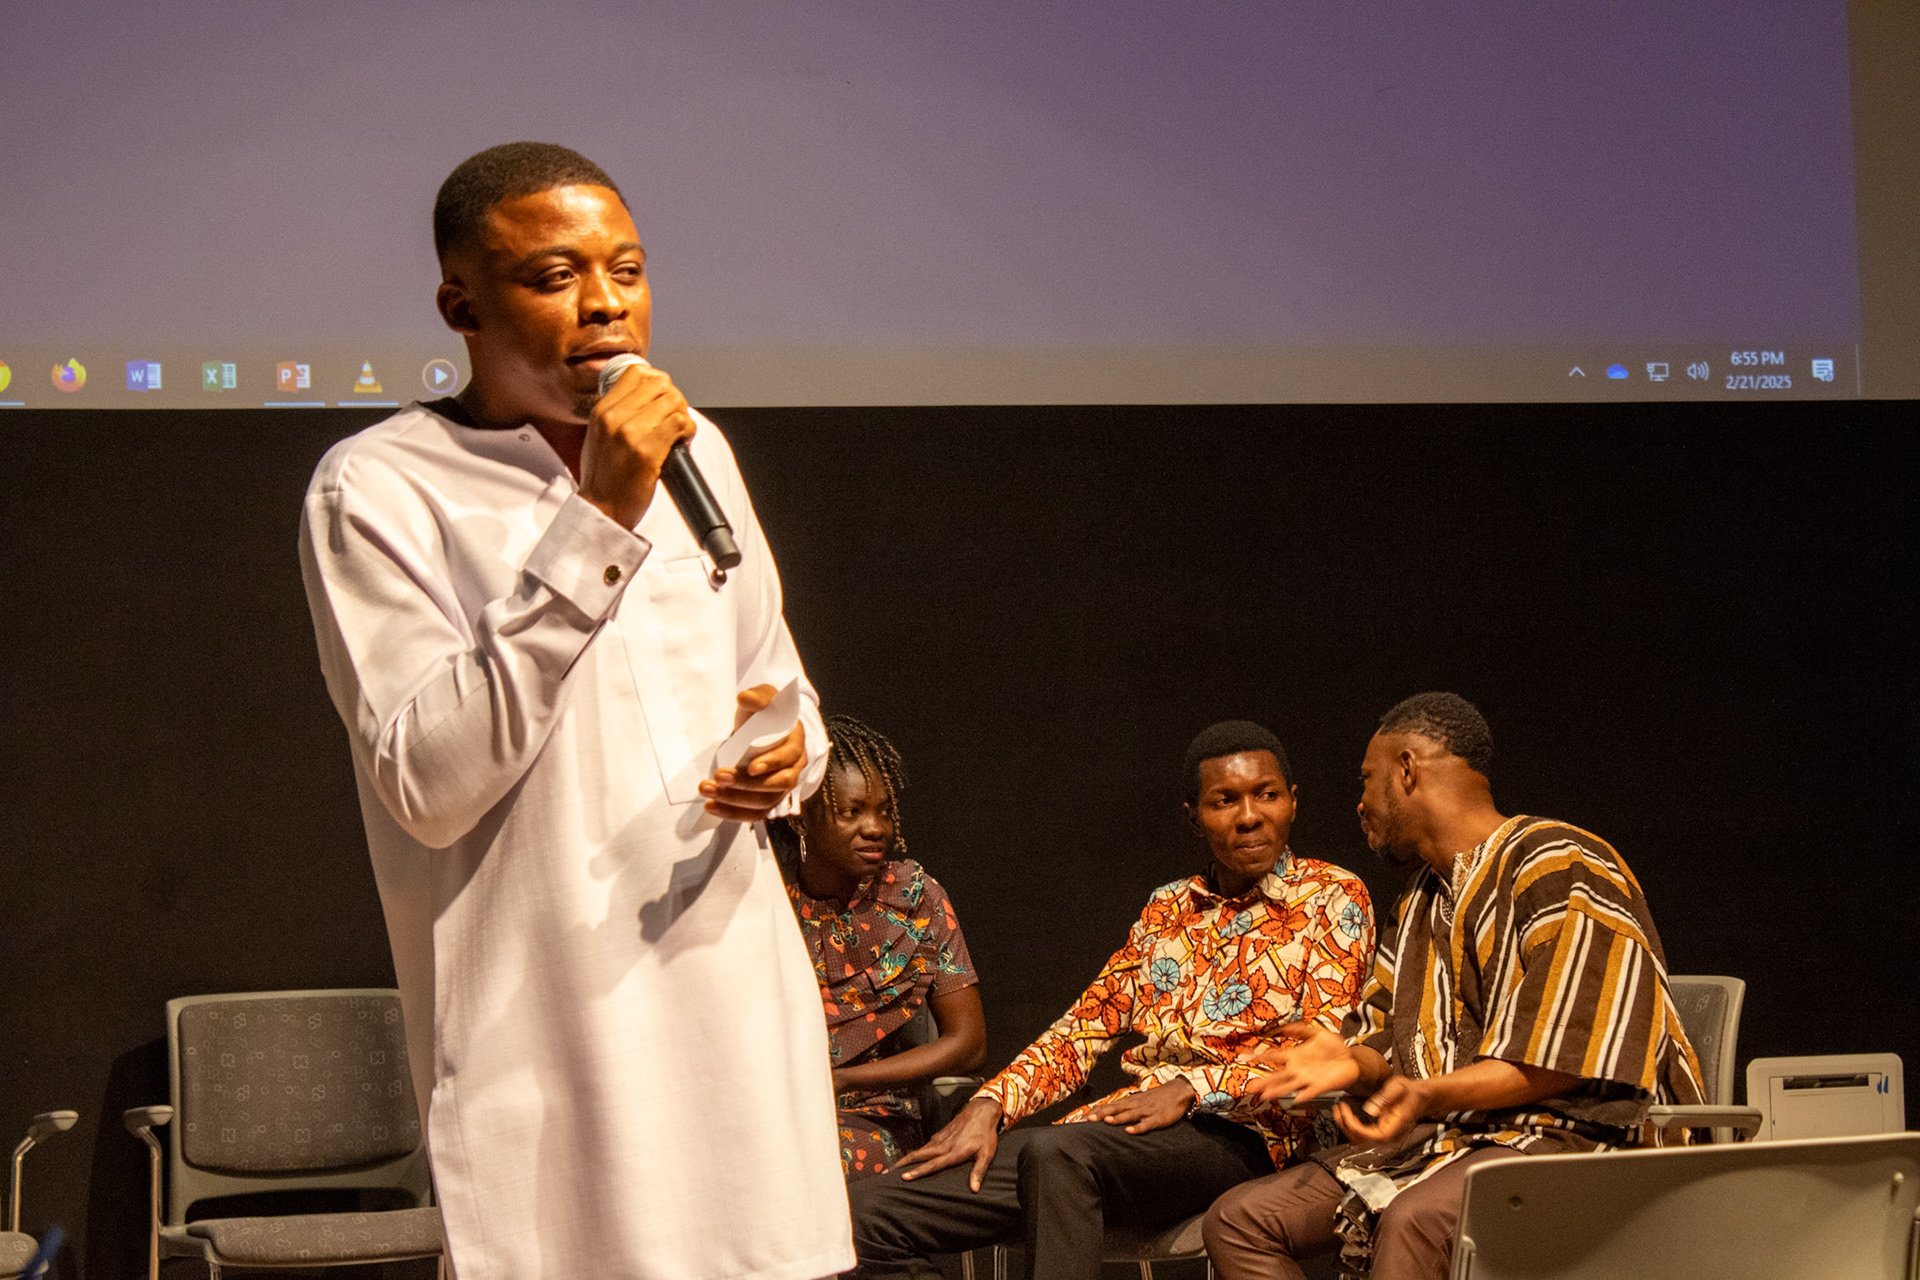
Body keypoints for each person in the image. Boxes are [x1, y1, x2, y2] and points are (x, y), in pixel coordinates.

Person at [297, 142, 852, 1280]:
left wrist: (788, 756)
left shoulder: (703, 454)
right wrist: (598, 516)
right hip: (548, 1032)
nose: (607, 304)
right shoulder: (381, 486)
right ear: (462, 303)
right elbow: (428, 783)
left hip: (734, 1010)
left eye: (629, 268)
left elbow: (777, 678)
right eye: (555, 277)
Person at [1203, 693, 1705, 1280]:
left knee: (1415, 1222)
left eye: (1368, 780)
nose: (1360, 804)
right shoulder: (1419, 899)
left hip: (1582, 1139)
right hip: (1459, 1137)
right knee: (1240, 1220)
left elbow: (1562, 1058)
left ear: (1407, 770)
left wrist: (1425, 1096)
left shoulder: (1558, 864)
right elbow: (1387, 1042)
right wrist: (1349, 1062)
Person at [848, 721, 1374, 1280]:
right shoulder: (1168, 908)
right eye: (1226, 801)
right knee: (862, 1218)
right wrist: (991, 1105)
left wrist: (1193, 1088)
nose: (1249, 815)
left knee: (1057, 1154)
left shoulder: (1331, 896)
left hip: (1246, 1136)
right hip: (1117, 1141)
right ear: (1194, 816)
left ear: (1292, 802)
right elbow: (1083, 1027)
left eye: (1265, 795)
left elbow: (1321, 1049)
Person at [771, 715, 987, 1179]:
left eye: (884, 811)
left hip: (877, 1118)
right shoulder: (767, 904)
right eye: (852, 812)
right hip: (776, 1114)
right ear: (802, 817)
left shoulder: (915, 897)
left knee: (812, 1165)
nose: (875, 827)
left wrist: (845, 1080)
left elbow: (968, 1044)